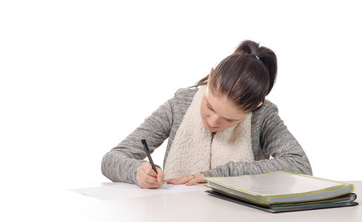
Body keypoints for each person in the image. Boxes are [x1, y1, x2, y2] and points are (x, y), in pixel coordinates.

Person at [101, 40, 312, 189]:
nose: (212, 121)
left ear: (255, 106)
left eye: (229, 119)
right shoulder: (180, 104)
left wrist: (217, 176)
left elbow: (300, 166)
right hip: (174, 221)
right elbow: (111, 159)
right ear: (211, 78)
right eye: (210, 107)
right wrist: (138, 171)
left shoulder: (263, 115)